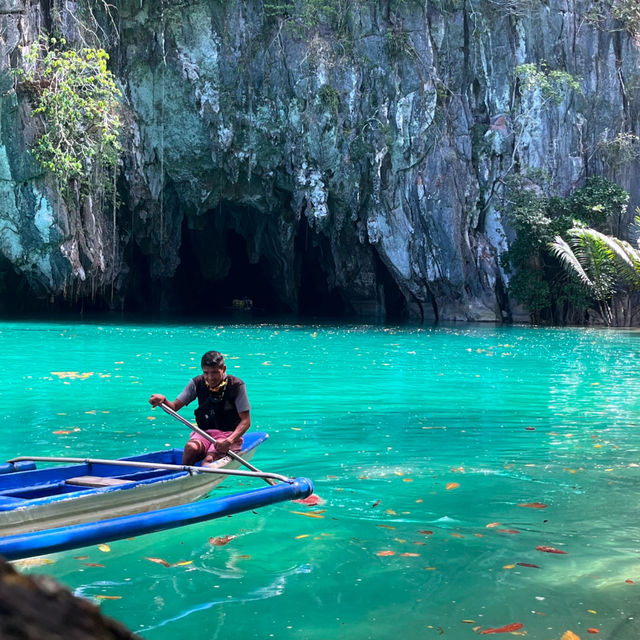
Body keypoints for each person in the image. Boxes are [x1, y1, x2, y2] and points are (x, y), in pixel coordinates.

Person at [149, 350, 251, 465]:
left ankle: (201, 474)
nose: (210, 377)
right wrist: (163, 400)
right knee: (190, 448)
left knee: (209, 460)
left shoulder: (236, 385)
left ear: (223, 369)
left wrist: (230, 441)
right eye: (206, 373)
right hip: (204, 433)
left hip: (227, 436)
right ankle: (186, 478)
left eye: (215, 372)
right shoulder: (196, 382)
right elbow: (174, 407)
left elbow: (246, 421)